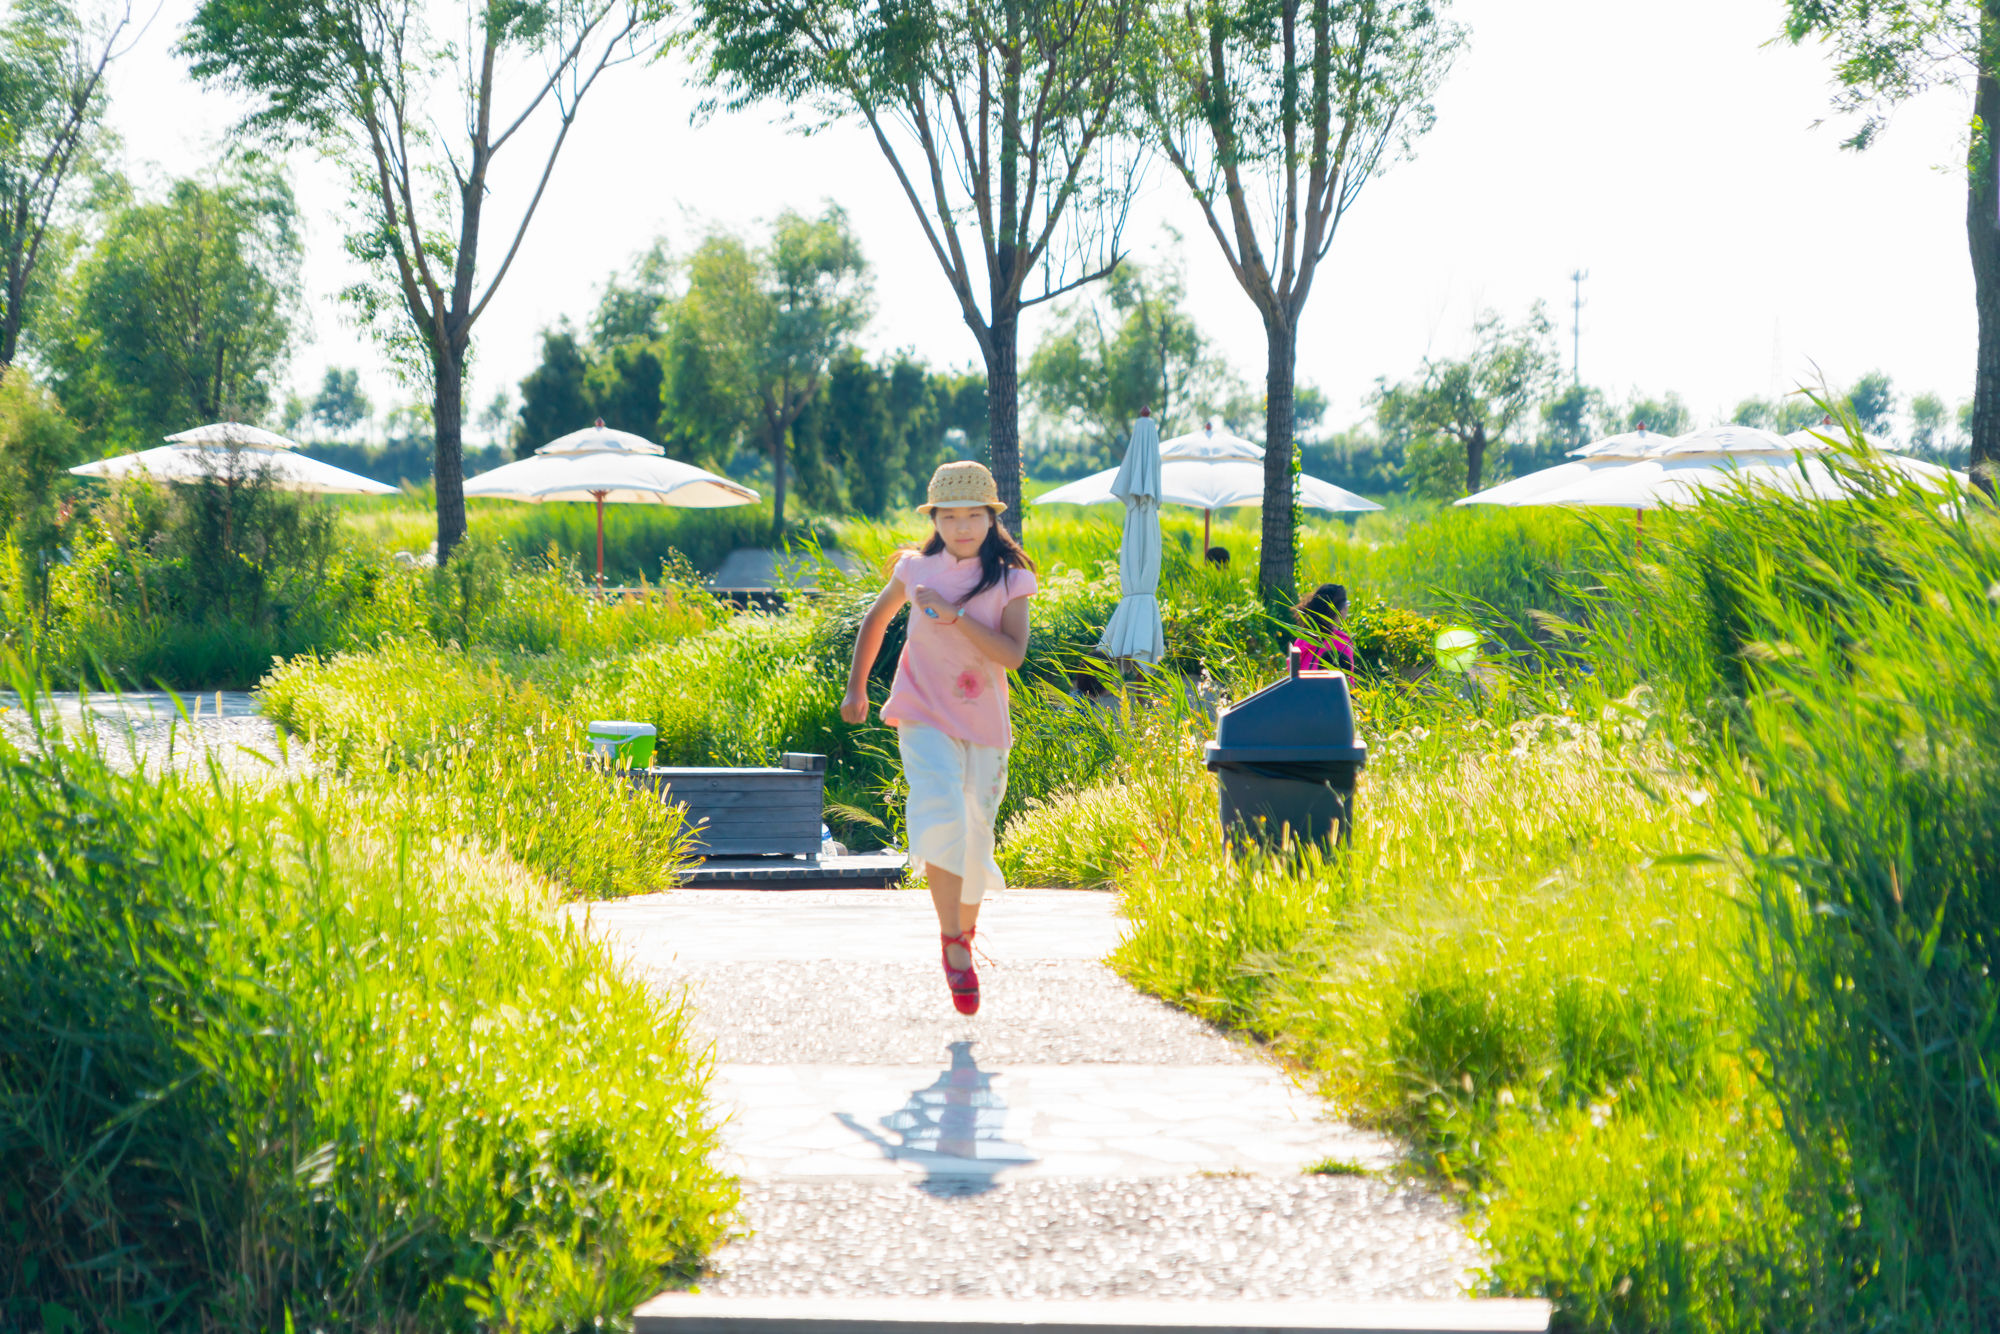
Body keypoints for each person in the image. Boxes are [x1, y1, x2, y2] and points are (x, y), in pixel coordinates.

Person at [841, 461, 1037, 1015]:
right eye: (949, 517)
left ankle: (962, 939)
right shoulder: (916, 569)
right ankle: (951, 942)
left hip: (985, 724)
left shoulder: (1011, 579)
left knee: (976, 831)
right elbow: (876, 621)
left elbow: (1013, 655)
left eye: (973, 515)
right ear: (934, 520)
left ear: (992, 518)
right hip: (922, 710)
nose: (962, 526)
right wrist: (857, 688)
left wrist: (953, 616)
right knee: (942, 808)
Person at [1294, 583, 1355, 672]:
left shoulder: (1303, 639)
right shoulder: (1341, 643)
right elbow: (1347, 679)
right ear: (1341, 610)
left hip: (1301, 681)